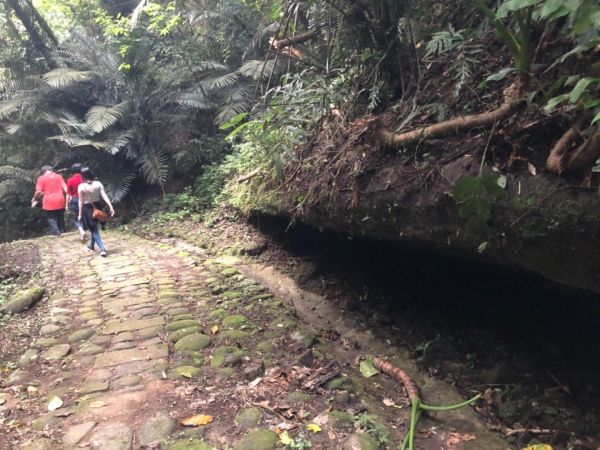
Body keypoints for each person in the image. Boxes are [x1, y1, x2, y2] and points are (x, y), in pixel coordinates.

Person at [77, 167, 115, 257]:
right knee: (94, 228)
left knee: (94, 230)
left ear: (82, 176)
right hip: (98, 207)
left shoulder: (81, 186)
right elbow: (104, 196)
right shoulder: (98, 184)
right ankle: (91, 246)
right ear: (91, 173)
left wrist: (79, 214)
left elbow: (80, 201)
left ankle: (102, 249)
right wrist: (111, 206)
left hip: (87, 209)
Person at [31, 165, 67, 236]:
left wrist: (34, 198)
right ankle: (62, 229)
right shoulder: (59, 176)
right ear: (52, 170)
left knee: (51, 217)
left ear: (43, 171)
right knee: (60, 215)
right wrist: (69, 196)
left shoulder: (41, 178)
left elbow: (38, 192)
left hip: (49, 201)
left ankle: (56, 231)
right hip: (60, 199)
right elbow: (65, 188)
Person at [66, 163, 86, 242]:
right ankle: (83, 232)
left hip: (75, 199)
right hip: (85, 199)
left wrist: (66, 204)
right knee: (84, 216)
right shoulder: (85, 179)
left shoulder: (70, 180)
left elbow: (68, 193)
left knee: (76, 218)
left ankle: (81, 231)